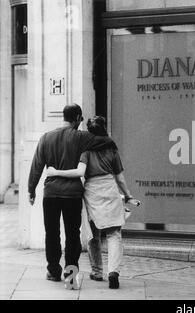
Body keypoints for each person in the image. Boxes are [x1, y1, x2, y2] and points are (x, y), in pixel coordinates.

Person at [28, 104, 118, 285]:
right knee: (72, 234)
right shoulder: (81, 138)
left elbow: (36, 166)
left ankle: (53, 271)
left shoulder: (46, 138)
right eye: (81, 119)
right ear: (77, 118)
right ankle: (70, 276)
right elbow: (105, 141)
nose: (81, 122)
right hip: (73, 195)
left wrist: (32, 191)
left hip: (51, 194)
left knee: (51, 233)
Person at [47, 116, 140, 289]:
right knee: (114, 233)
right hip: (109, 188)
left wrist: (55, 172)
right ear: (104, 128)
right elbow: (119, 177)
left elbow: (80, 172)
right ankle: (113, 272)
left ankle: (97, 271)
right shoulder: (111, 147)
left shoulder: (86, 149)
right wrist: (127, 195)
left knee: (93, 233)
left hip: (91, 191)